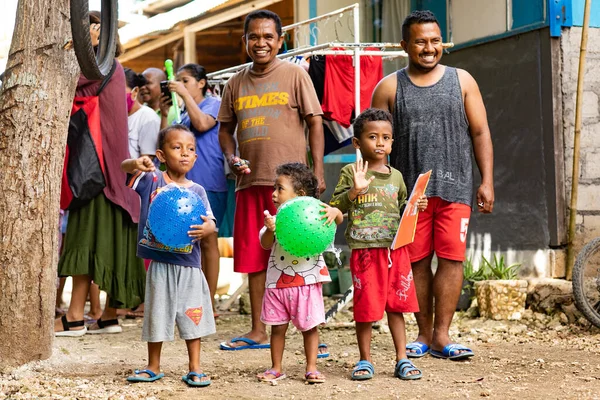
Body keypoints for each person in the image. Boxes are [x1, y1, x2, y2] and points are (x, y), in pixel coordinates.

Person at [371, 10, 494, 360]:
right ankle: (423, 334)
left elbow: (481, 132)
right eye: (421, 42)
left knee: (452, 260)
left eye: (435, 41)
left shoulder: (463, 80)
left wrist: (486, 181)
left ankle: (442, 335)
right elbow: (373, 144)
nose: (429, 48)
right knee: (418, 262)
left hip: (456, 189)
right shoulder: (389, 88)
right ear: (405, 45)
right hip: (411, 198)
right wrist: (380, 192)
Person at [218, 9, 325, 350]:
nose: (260, 42)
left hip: (292, 188)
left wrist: (318, 171)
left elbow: (316, 122)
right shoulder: (235, 82)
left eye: (268, 36)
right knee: (254, 257)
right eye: (254, 36)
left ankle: (308, 327)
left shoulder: (295, 75)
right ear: (244, 41)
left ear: (281, 41)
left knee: (300, 254)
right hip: (250, 183)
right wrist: (231, 157)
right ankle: (259, 330)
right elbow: (224, 129)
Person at [54, 11, 145, 337]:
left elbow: (71, 89)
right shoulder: (111, 69)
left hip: (98, 176)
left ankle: (75, 316)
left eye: (94, 27)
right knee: (108, 246)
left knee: (83, 243)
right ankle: (107, 316)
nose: (89, 32)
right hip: (112, 177)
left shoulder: (101, 69)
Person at [330, 108, 427, 380]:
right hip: (364, 252)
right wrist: (355, 191)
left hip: (395, 251)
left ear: (393, 142)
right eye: (373, 137)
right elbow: (335, 207)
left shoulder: (396, 176)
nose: (380, 143)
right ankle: (365, 360)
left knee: (396, 306)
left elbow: (402, 210)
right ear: (357, 143)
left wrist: (416, 207)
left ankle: (402, 359)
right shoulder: (351, 172)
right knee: (366, 308)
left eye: (386, 137)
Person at [122, 125, 216, 386]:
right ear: (161, 155)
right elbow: (124, 168)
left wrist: (209, 227)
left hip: (189, 265)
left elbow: (211, 222)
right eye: (177, 148)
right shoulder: (151, 180)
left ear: (195, 158)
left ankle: (195, 366)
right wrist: (136, 161)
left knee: (191, 313)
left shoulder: (197, 191)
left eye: (190, 150)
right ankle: (153, 365)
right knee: (157, 313)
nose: (185, 154)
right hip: (159, 264)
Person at [256, 163, 342, 383]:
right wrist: (269, 229)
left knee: (310, 328)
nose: (273, 194)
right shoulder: (275, 219)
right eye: (274, 189)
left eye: (279, 189)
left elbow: (337, 218)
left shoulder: (315, 213)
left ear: (300, 194)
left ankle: (312, 368)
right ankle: (276, 368)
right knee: (277, 329)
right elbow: (265, 244)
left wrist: (334, 211)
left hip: (307, 283)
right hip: (277, 285)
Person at [160, 63, 226, 311]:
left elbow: (202, 125)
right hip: (181, 184)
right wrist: (166, 113)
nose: (179, 85)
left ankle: (207, 304)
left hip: (208, 180)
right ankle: (187, 301)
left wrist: (184, 95)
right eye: (178, 81)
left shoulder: (212, 104)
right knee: (184, 242)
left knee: (208, 239)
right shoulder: (181, 112)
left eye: (185, 81)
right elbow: (164, 144)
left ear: (202, 83)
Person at [124, 68, 160, 159]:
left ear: (135, 91)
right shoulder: (116, 116)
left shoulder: (148, 118)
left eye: (120, 90)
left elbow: (147, 161)